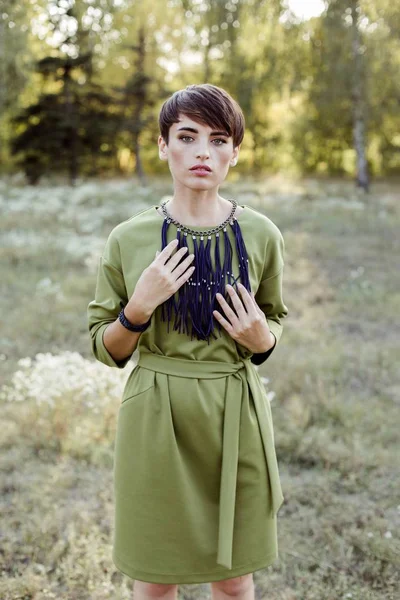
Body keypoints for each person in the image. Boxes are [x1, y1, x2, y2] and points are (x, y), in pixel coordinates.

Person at [87, 83, 288, 600]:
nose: (204, 152)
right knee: (155, 578)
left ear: (235, 153)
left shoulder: (263, 234)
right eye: (188, 136)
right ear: (162, 145)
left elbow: (273, 325)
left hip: (233, 412)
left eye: (219, 140)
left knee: (236, 578)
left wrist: (260, 336)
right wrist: (138, 307)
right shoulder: (128, 238)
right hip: (156, 414)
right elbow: (105, 348)